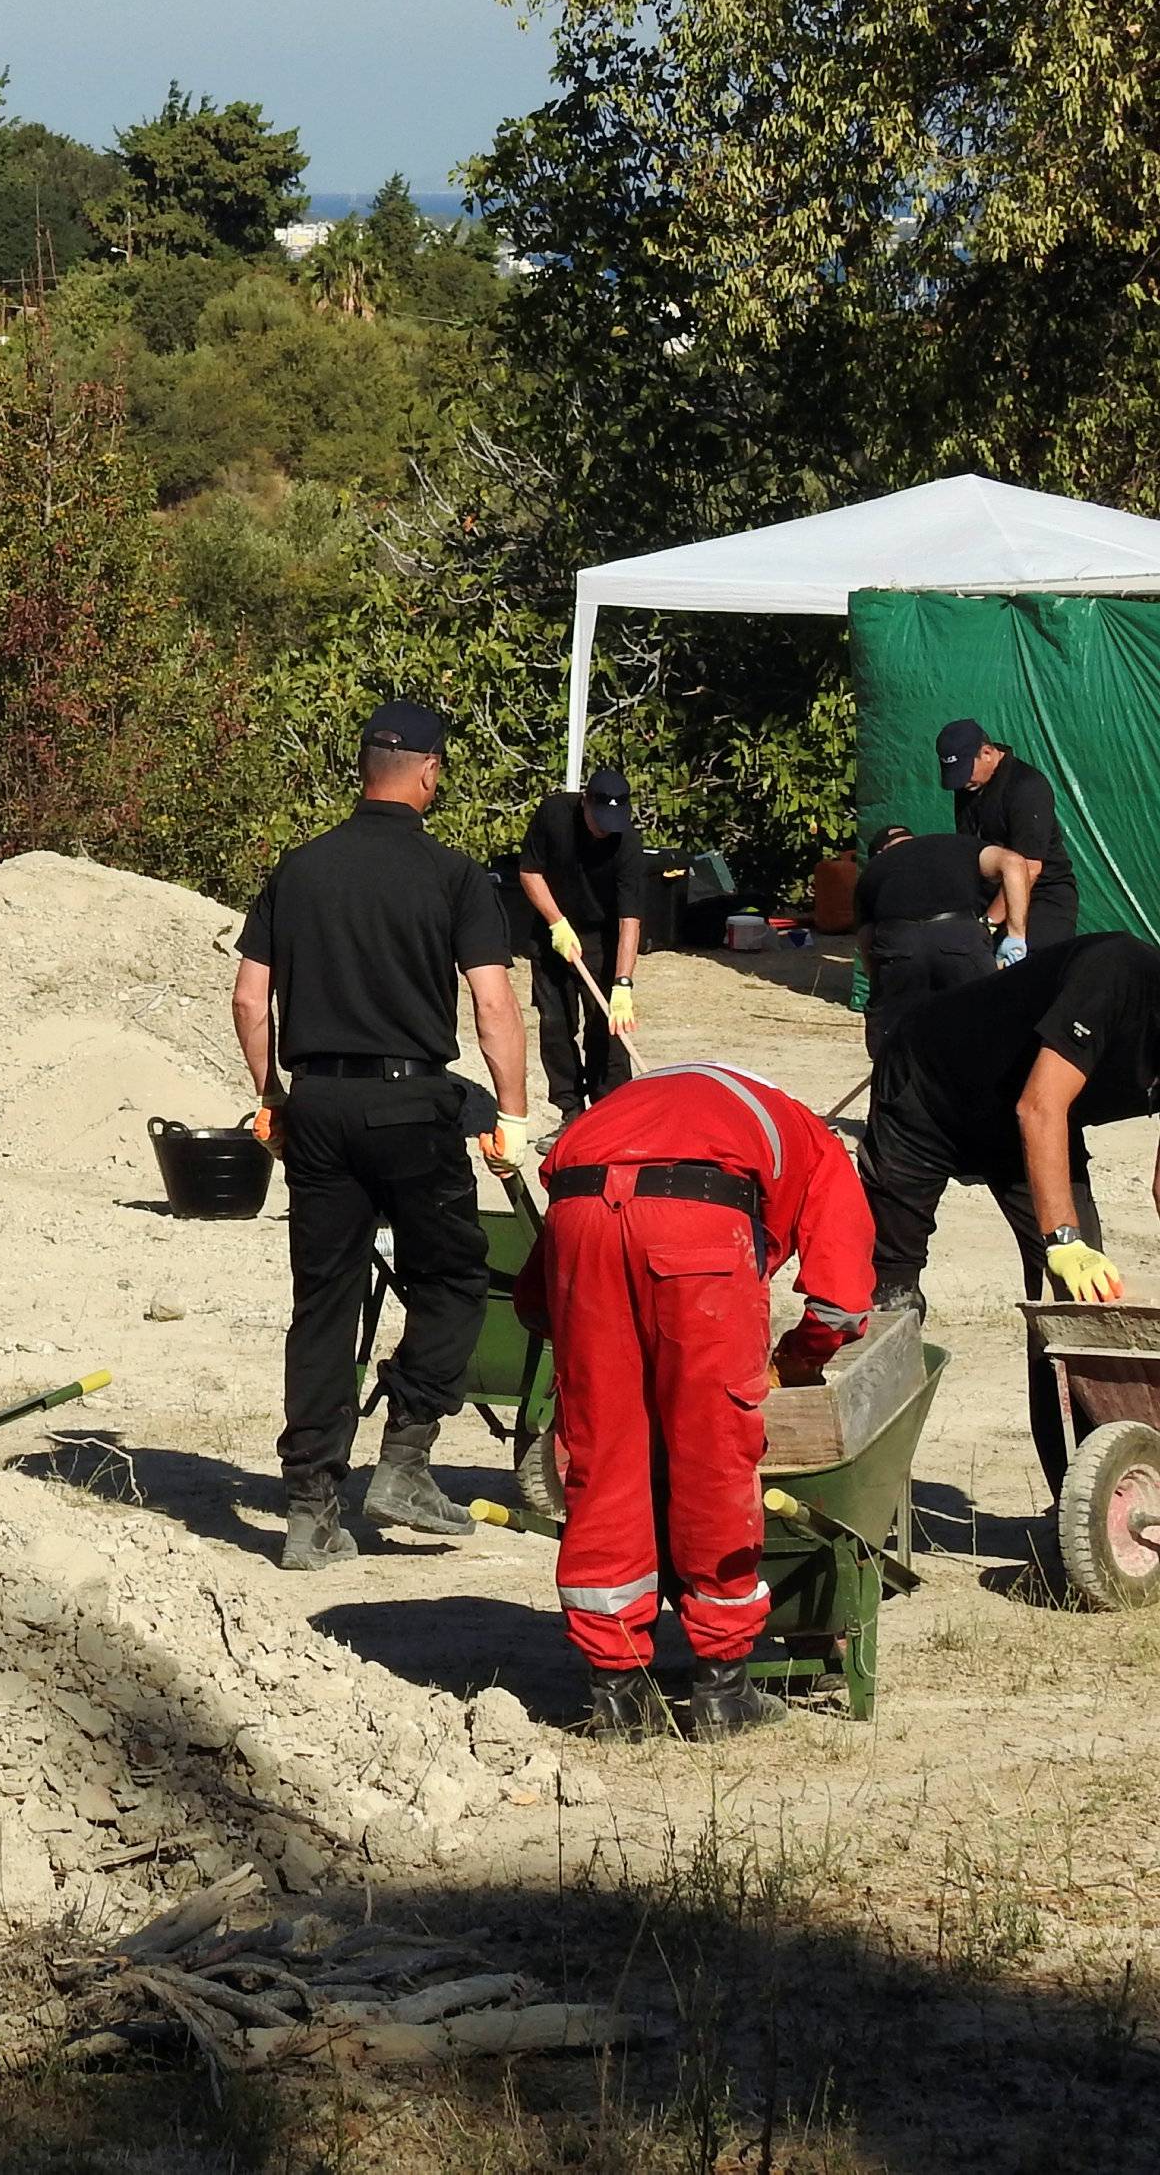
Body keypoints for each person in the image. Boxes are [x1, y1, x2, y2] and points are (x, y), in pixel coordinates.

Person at [231, 700, 531, 1571]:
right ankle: (403, 1457)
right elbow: (493, 1002)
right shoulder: (454, 876)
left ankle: (309, 1507)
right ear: (430, 772)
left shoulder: (299, 869)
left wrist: (272, 1096)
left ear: (365, 768)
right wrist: (511, 1112)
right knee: (453, 1274)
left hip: (317, 1103)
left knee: (323, 1300)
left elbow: (252, 999)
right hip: (410, 1104)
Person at [518, 1064, 875, 1737]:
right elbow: (841, 1301)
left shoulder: (639, 1106)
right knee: (714, 1450)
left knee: (603, 1451)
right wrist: (796, 1359)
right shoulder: (818, 1145)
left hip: (579, 1212)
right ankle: (722, 1683)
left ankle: (617, 1692)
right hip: (700, 1233)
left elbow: (536, 1299)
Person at [861, 931, 1160, 1489]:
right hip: (928, 1091)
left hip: (1024, 1131)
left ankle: (1084, 1511)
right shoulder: (1116, 972)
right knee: (887, 1300)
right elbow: (1039, 1105)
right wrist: (1064, 1240)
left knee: (1081, 1315)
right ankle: (868, 1503)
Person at [500, 769, 644, 1151]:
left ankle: (612, 1114)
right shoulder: (553, 814)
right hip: (553, 930)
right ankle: (570, 1115)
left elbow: (630, 918)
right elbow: (530, 872)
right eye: (599, 820)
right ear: (585, 802)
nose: (604, 830)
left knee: (607, 1027)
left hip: (602, 936)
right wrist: (557, 923)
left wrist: (623, 984)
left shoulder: (627, 841)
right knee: (555, 1024)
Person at [855, 824, 1034, 1057]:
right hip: (959, 936)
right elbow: (1015, 863)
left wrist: (881, 988)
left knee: (892, 1042)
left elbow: (866, 940)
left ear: (880, 852)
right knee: (987, 1026)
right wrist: (1016, 935)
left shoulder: (873, 869)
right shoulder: (954, 843)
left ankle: (896, 1083)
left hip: (899, 942)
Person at [937, 719, 1078, 947]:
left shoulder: (1027, 788)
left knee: (1027, 967)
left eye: (965, 771)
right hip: (988, 893)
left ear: (987, 752)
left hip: (1042, 894)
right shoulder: (968, 786)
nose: (962, 782)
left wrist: (987, 925)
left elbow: (1029, 869)